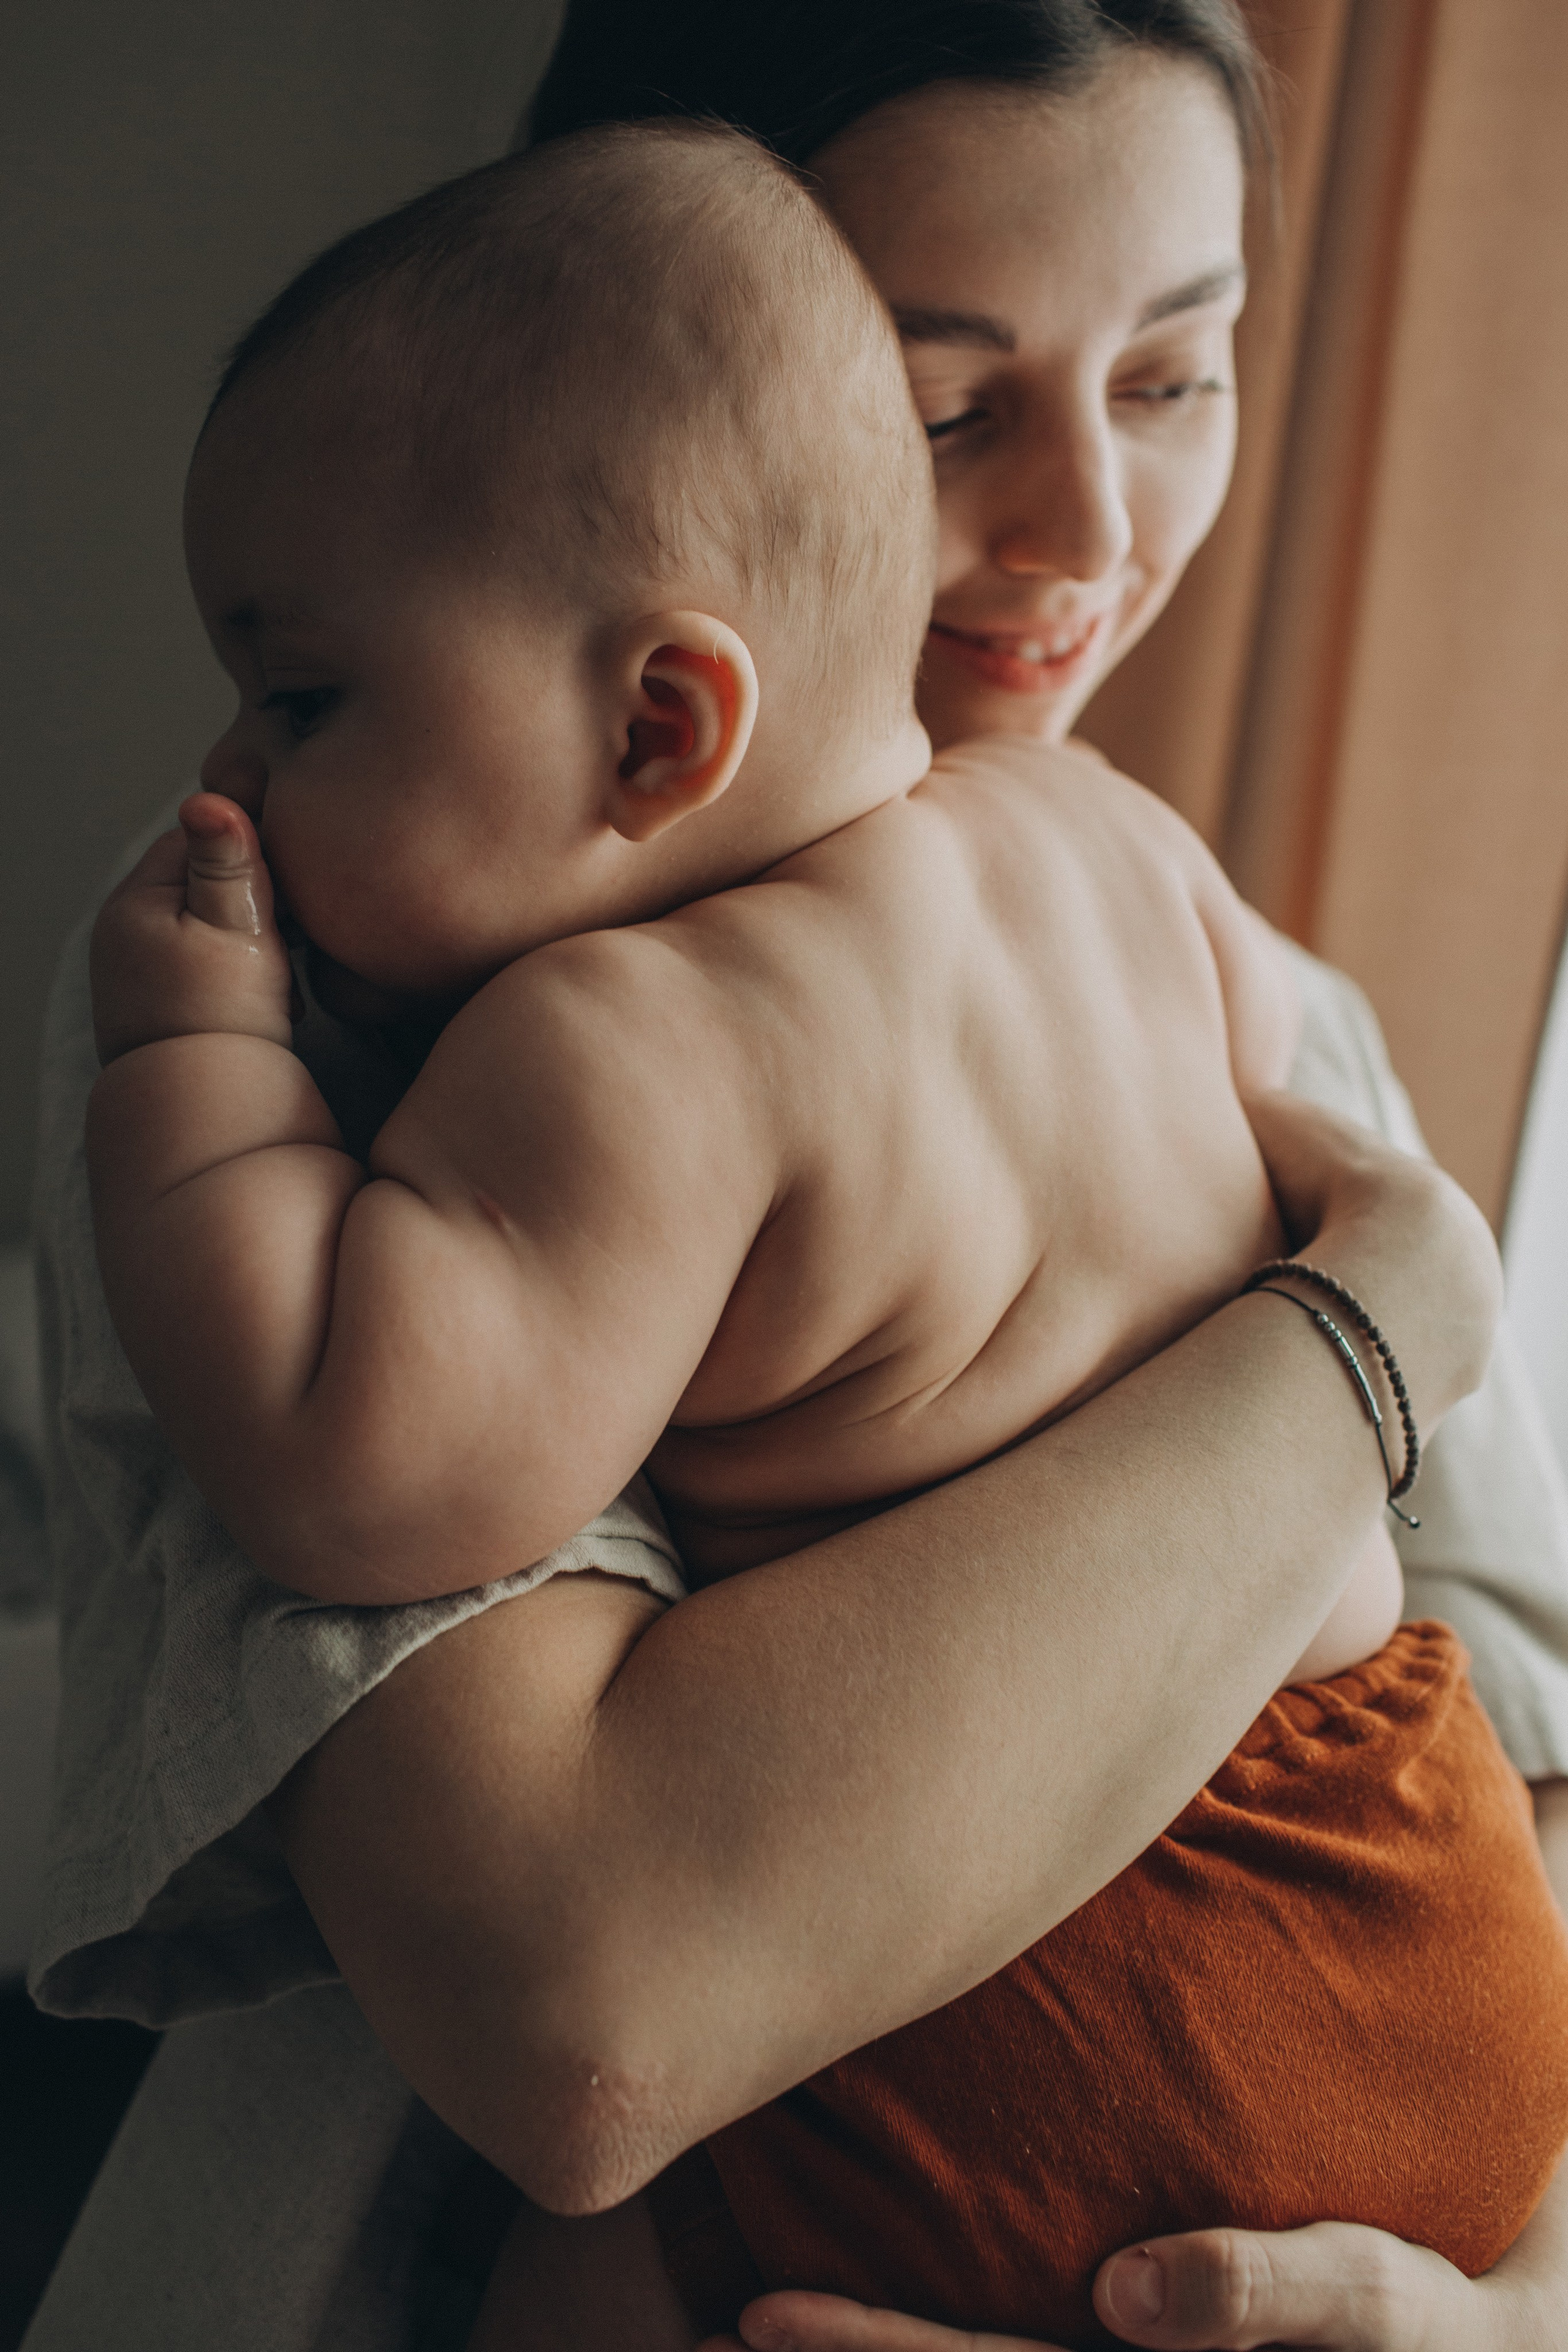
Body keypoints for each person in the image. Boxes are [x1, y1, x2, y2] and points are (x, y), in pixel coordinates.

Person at [22, 7, 1568, 2352]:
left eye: (1177, 373)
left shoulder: (1253, 975)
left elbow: (1528, 1779)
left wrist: (1511, 2311)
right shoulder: (335, 965)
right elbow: (588, 2005)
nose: (1089, 536)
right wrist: (1377, 1332)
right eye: (940, 407)